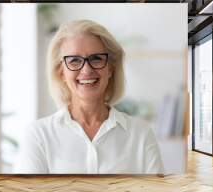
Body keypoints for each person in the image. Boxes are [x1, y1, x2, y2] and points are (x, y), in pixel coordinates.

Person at [13, 19, 164, 174]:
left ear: (110, 68)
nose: (86, 70)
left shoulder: (141, 135)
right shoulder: (38, 135)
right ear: (61, 72)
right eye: (74, 60)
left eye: (96, 58)